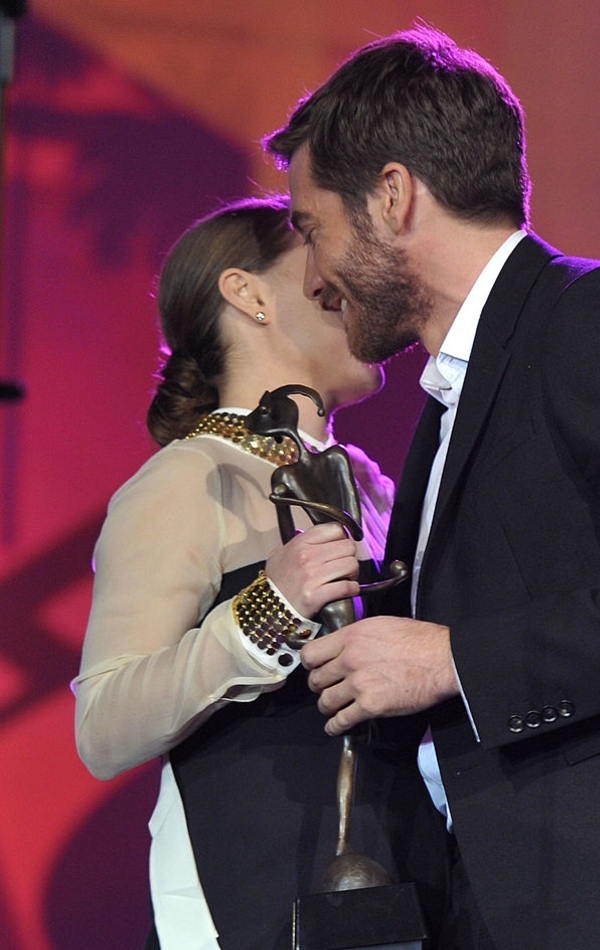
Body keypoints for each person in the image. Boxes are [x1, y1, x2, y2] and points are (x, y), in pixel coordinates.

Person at [265, 26, 600, 950]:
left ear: (393, 197)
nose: (314, 279)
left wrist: (449, 660)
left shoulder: (597, 316)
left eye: (313, 230)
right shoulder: (448, 400)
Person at [72, 195, 445, 950]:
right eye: (322, 258)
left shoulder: (370, 484)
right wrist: (267, 609)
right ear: (247, 293)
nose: (356, 283)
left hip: (403, 886)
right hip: (251, 901)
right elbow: (103, 726)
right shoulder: (187, 479)